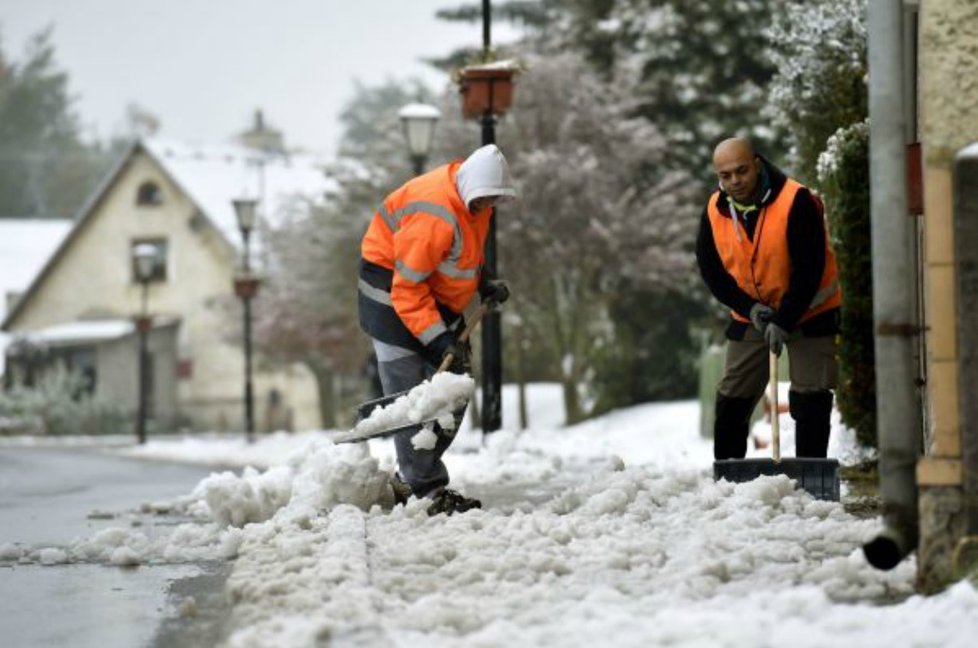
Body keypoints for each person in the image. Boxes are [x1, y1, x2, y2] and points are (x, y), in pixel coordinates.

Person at [358, 143, 516, 515]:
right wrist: (440, 339)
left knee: (454, 389)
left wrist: (483, 282)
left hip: (435, 296)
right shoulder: (435, 214)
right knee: (412, 397)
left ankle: (413, 476)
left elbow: (461, 252)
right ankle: (424, 489)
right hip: (390, 294)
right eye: (483, 200)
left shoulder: (475, 200)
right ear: (468, 188)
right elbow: (407, 288)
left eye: (493, 200)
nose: (487, 206)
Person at [696, 137, 841, 461]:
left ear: (757, 164)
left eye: (741, 171)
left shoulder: (797, 200)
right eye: (725, 175)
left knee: (811, 396)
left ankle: (810, 477)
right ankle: (729, 477)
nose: (735, 181)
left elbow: (809, 268)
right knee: (733, 397)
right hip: (752, 315)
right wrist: (751, 308)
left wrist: (784, 320)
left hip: (811, 310)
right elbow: (711, 270)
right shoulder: (714, 210)